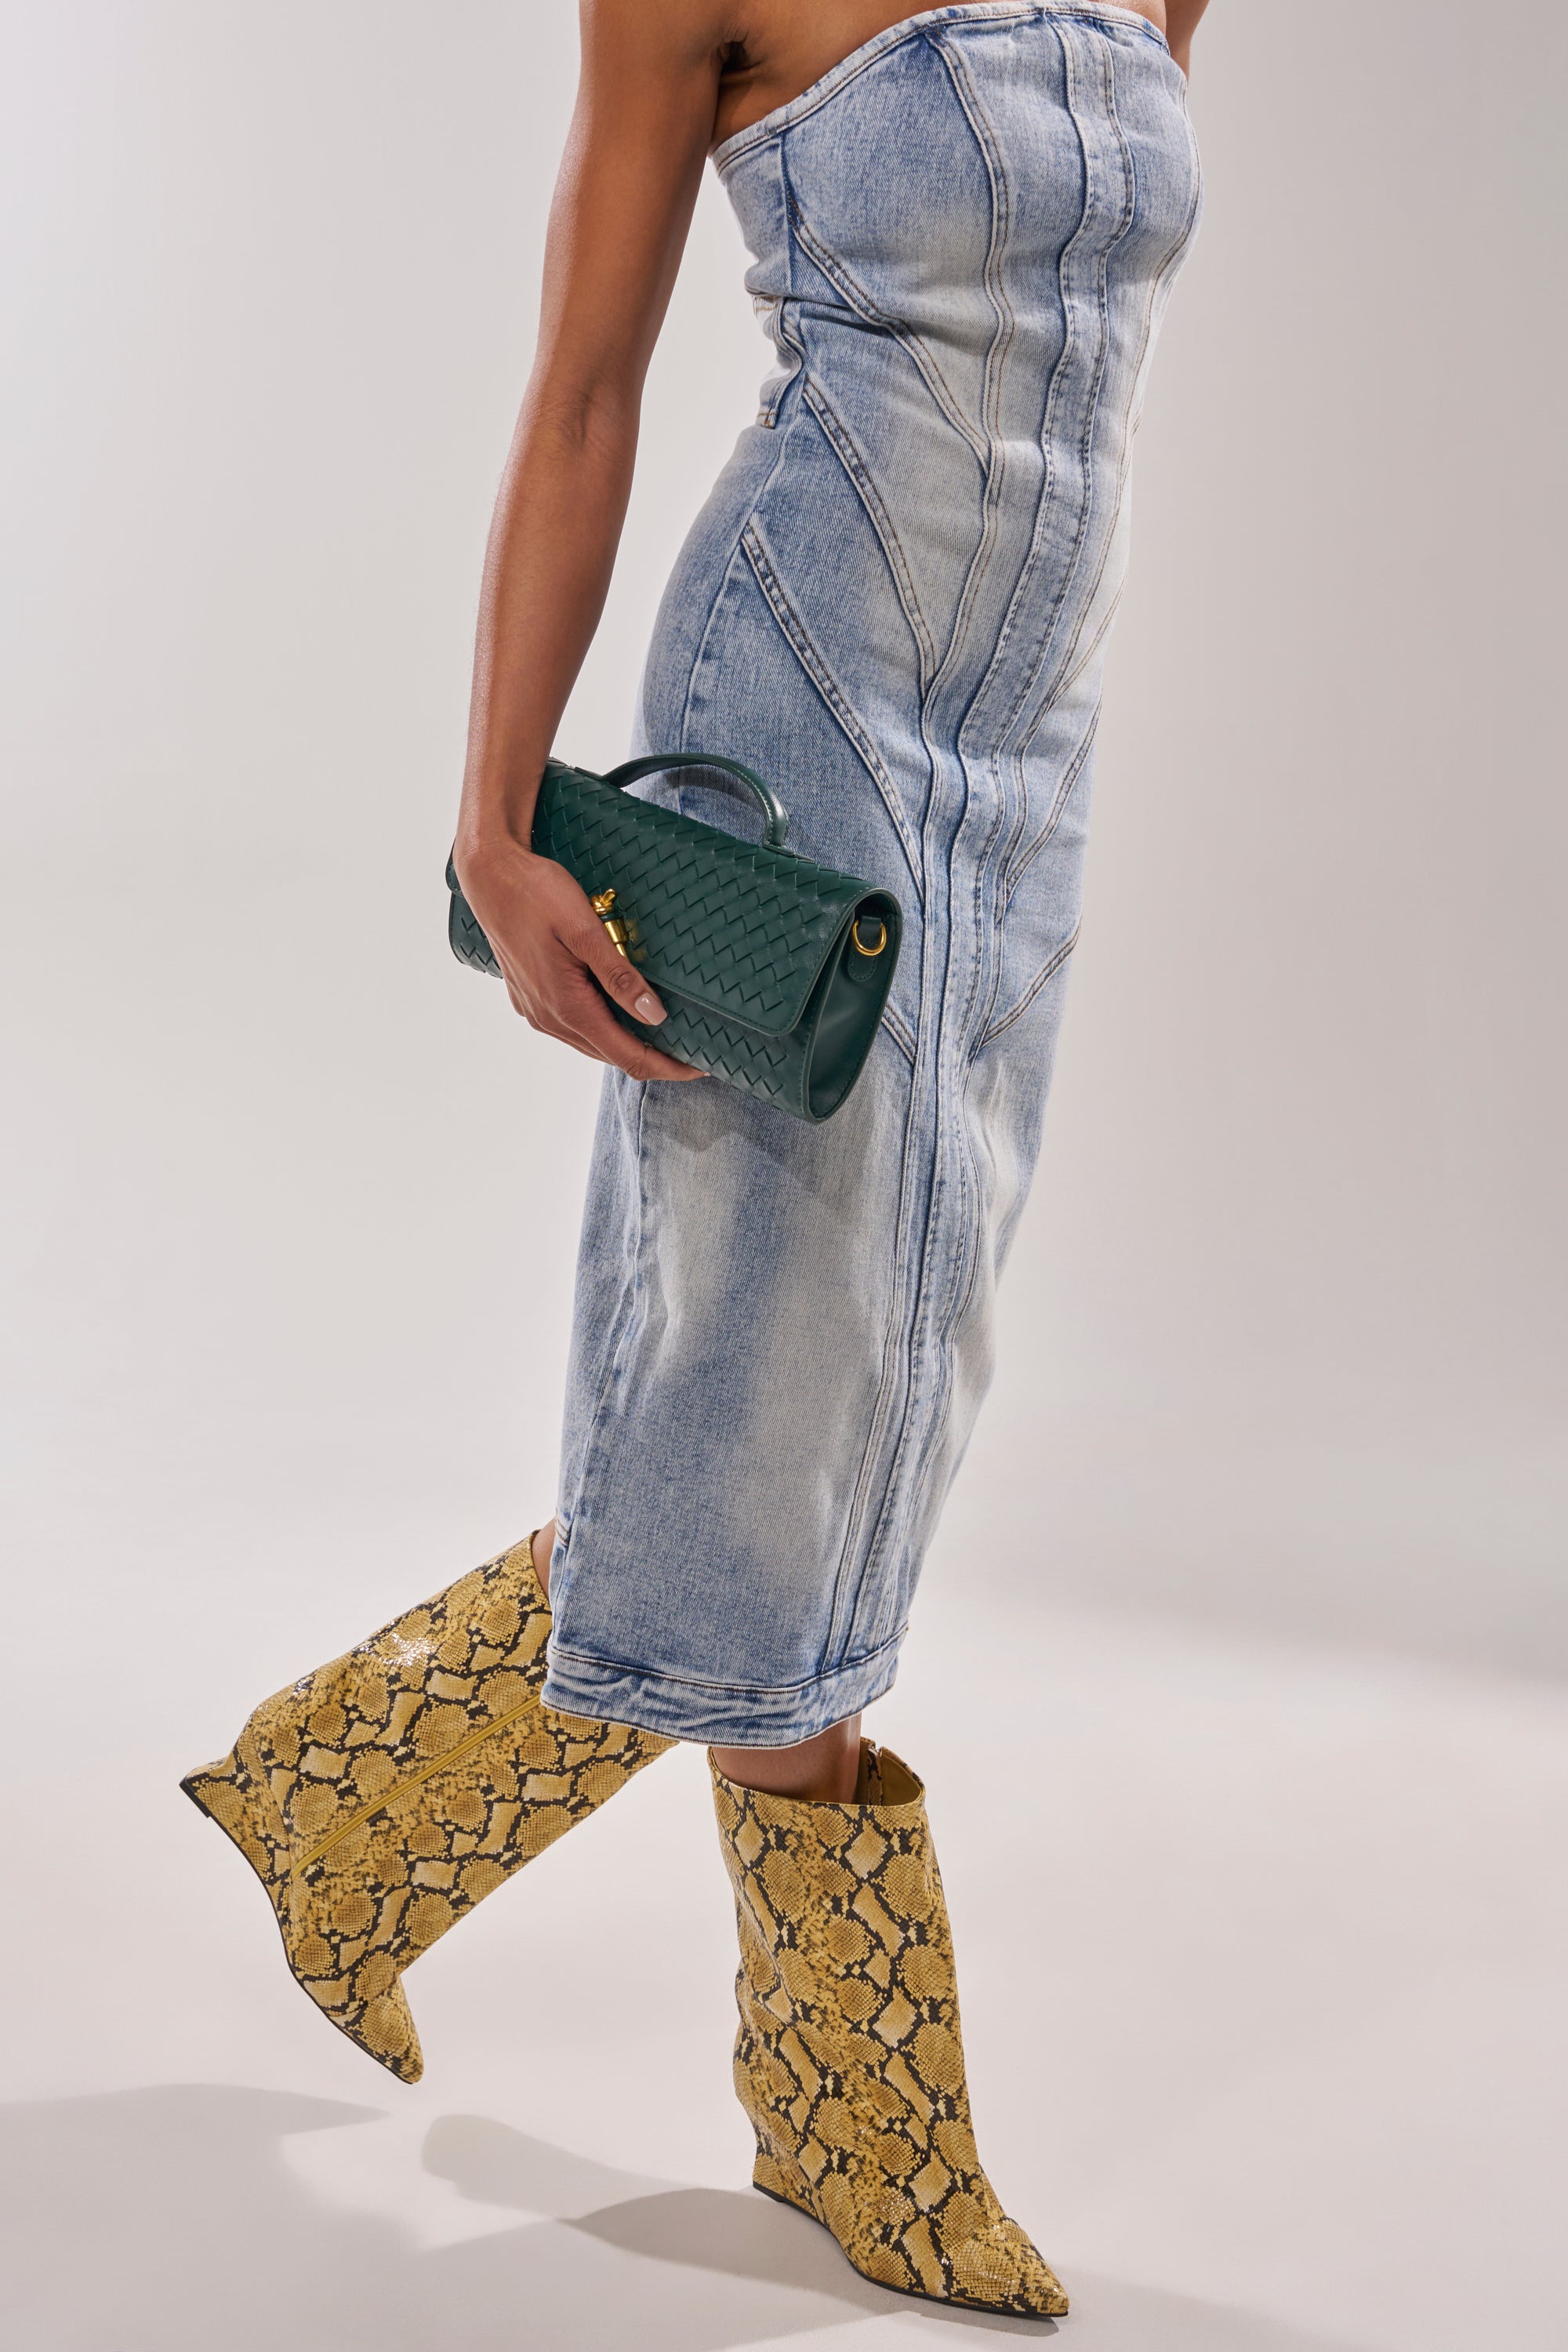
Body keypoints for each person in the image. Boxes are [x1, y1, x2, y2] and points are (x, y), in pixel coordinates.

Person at [187, 0, 1209, 2321]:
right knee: (776, 1390)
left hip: (1027, 755)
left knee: (887, 1392)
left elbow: (1087, 326)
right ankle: (855, 2121)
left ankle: (352, 1810)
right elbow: (584, 391)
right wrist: (499, 809)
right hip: (807, 709)